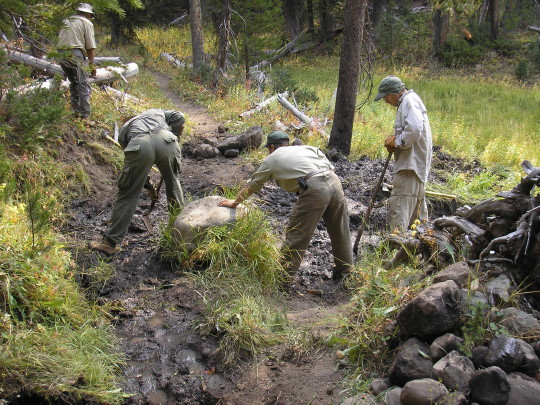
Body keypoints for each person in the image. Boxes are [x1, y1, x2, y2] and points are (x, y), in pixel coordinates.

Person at [219, 131, 353, 283]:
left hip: (314, 188)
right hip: (334, 183)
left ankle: (282, 280)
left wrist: (235, 202)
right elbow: (331, 168)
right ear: (286, 143)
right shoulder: (308, 148)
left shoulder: (272, 158)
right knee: (340, 229)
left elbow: (254, 184)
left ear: (271, 147)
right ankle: (346, 274)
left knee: (297, 235)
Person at [90, 109, 186, 255]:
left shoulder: (124, 130)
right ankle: (182, 236)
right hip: (167, 141)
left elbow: (135, 171)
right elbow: (180, 117)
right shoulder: (157, 112)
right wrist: (175, 135)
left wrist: (146, 185)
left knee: (128, 194)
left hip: (140, 145)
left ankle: (109, 244)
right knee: (174, 185)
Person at [374, 75, 433, 233]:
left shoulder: (408, 101)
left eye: (386, 96)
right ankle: (418, 246)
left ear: (394, 92)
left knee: (400, 206)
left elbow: (414, 129)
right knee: (417, 217)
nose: (386, 101)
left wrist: (397, 142)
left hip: (409, 167)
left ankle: (397, 243)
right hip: (416, 166)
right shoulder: (411, 100)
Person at [57, 3, 97, 119]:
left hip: (60, 54)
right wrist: (92, 67)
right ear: (87, 14)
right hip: (75, 53)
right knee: (83, 83)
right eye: (90, 15)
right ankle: (84, 114)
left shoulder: (66, 21)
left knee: (74, 82)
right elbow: (90, 48)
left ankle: (75, 110)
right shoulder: (86, 23)